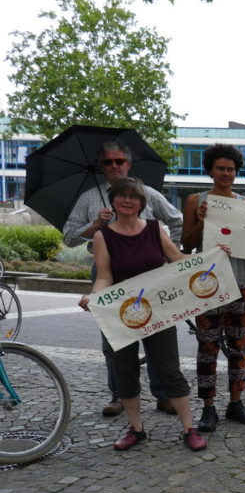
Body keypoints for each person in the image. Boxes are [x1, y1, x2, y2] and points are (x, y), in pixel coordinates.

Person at [77, 177, 202, 451]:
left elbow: (179, 261)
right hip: (120, 315)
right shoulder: (103, 236)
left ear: (141, 202)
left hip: (157, 312)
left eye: (132, 197)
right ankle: (136, 429)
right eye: (121, 196)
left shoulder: (156, 230)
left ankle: (188, 428)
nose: (127, 201)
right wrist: (94, 295)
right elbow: (105, 276)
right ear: (113, 201)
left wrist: (212, 258)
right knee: (125, 371)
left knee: (169, 369)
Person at [62, 141, 182, 418]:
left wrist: (166, 253)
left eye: (119, 161)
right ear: (101, 166)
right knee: (115, 338)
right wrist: (95, 226)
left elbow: (175, 220)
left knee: (156, 330)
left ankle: (163, 394)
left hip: (150, 273)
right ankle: (119, 394)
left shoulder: (148, 194)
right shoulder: (89, 197)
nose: (114, 166)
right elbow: (68, 237)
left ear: (128, 164)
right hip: (109, 272)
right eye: (108, 162)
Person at [181, 144, 245, 434]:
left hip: (242, 281)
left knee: (239, 348)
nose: (225, 173)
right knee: (207, 348)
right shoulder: (195, 200)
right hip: (208, 284)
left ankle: (236, 402)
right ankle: (208, 407)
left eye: (230, 169)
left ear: (236, 172)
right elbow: (187, 244)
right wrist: (201, 222)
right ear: (210, 170)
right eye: (220, 168)